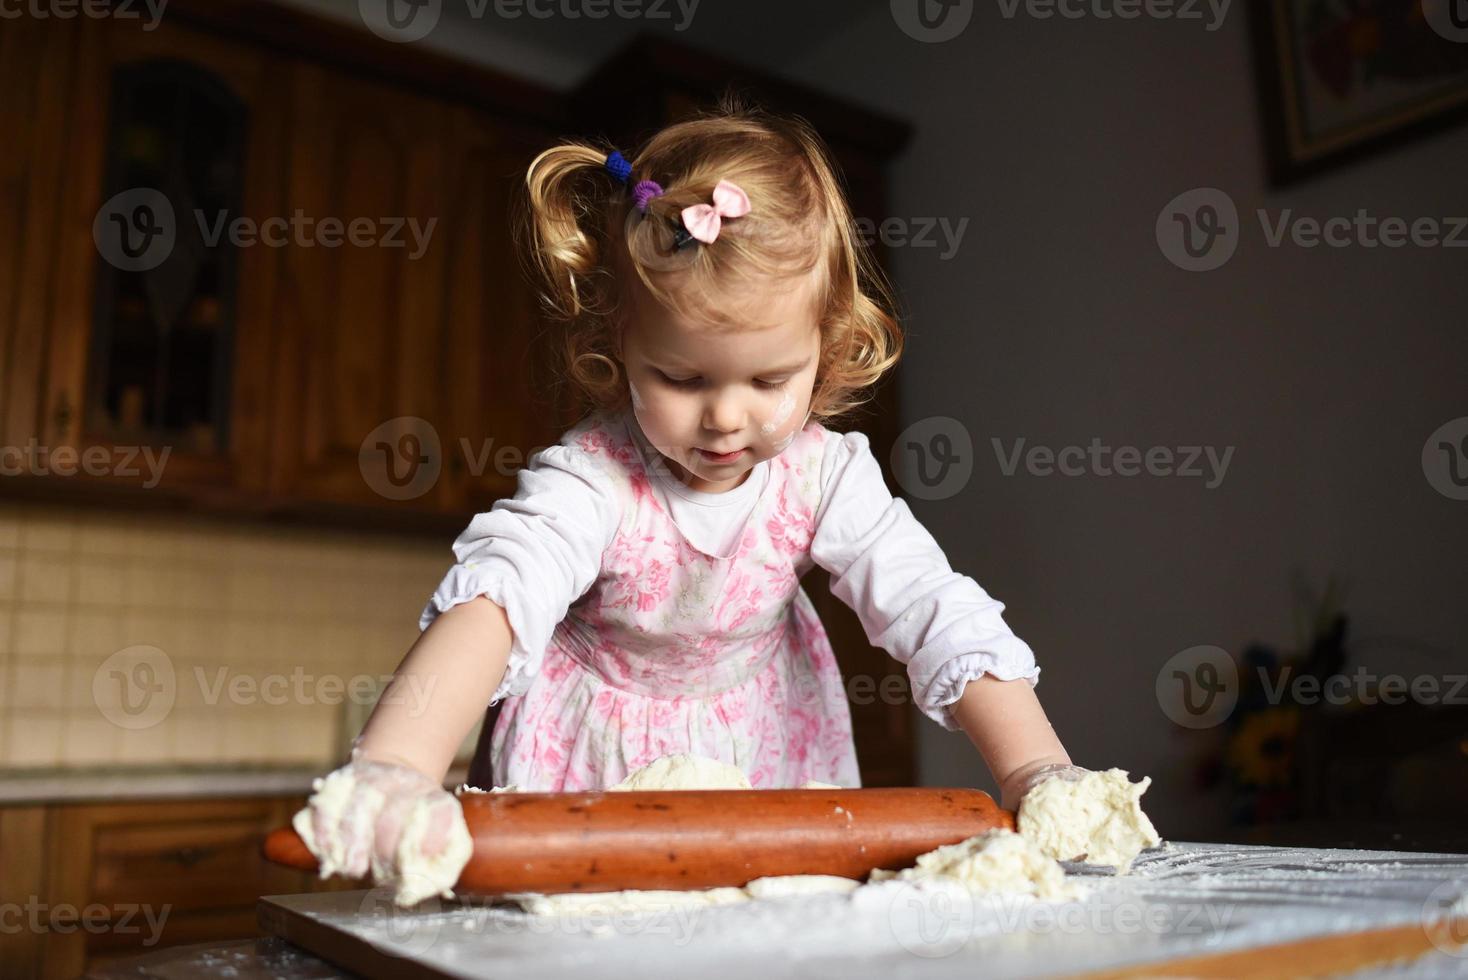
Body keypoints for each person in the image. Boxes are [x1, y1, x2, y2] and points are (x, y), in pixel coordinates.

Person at [293, 96, 1088, 897]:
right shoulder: (591, 481)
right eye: (681, 377)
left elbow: (931, 606)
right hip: (589, 766)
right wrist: (397, 769)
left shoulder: (827, 476)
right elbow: (496, 604)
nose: (726, 416)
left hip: (765, 750)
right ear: (619, 345)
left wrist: (1036, 771)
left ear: (828, 344)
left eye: (770, 379)